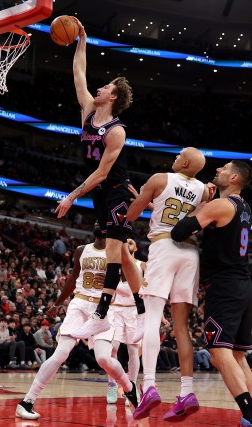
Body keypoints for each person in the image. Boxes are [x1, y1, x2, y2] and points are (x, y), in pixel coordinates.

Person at [54, 18, 144, 340]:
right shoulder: (89, 111)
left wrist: (71, 195)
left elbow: (104, 172)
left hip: (115, 187)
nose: (100, 87)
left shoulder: (117, 130)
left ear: (114, 98)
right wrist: (82, 40)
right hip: (100, 191)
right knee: (118, 253)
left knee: (115, 251)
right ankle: (141, 308)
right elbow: (79, 73)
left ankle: (104, 313)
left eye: (106, 87)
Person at [171, 160, 252, 427]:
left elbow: (178, 232)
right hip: (241, 285)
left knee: (218, 352)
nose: (218, 171)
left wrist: (202, 204)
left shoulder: (220, 205)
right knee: (238, 355)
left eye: (224, 169)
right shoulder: (244, 207)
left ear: (235, 178)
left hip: (224, 286)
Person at [15, 225, 139, 421]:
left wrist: (126, 252)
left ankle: (129, 388)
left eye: (102, 221)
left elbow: (128, 279)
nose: (97, 223)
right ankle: (27, 401)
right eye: (96, 221)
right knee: (60, 354)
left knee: (104, 359)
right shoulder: (82, 250)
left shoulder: (117, 250)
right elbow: (73, 279)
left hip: (104, 308)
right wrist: (56, 304)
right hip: (79, 304)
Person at [126, 147, 210, 421]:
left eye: (178, 156)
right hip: (190, 253)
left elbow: (131, 214)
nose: (174, 159)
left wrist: (141, 197)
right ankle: (187, 390)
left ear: (184, 162)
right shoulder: (204, 191)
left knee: (151, 317)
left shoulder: (159, 179)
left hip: (163, 247)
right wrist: (155, 204)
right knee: (181, 326)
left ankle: (148, 384)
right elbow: (187, 218)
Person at [106, 238, 143, 406]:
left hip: (133, 311)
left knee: (133, 350)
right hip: (115, 310)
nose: (127, 244)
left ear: (135, 247)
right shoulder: (114, 264)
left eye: (131, 242)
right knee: (112, 348)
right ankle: (112, 384)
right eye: (125, 242)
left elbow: (146, 288)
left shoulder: (142, 265)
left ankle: (132, 388)